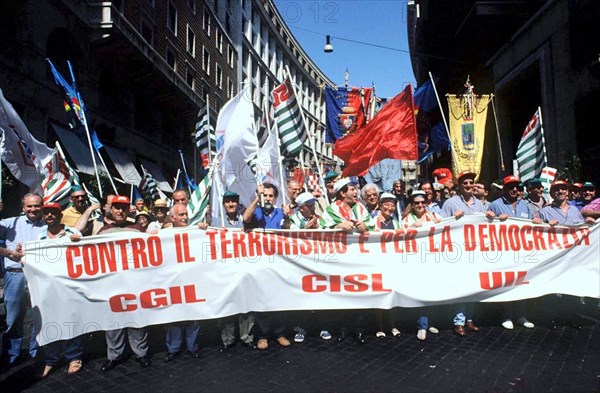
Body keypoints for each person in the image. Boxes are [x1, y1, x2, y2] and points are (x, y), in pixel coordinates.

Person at [98, 195, 151, 371]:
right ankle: (114, 356)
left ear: (129, 210)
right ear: (110, 210)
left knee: (137, 320)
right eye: (116, 207)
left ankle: (141, 353)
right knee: (113, 321)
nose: (120, 211)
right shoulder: (103, 232)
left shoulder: (136, 230)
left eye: (123, 208)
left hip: (134, 282)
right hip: (112, 284)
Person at [320, 178, 374, 343]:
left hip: (358, 258)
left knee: (360, 292)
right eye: (352, 189)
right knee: (342, 293)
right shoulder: (331, 210)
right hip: (339, 258)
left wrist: (365, 227)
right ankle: (342, 329)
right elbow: (321, 229)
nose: (355, 192)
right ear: (342, 193)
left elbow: (370, 226)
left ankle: (359, 329)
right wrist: (337, 227)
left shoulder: (360, 208)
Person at [36, 203, 84, 378]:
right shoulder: (39, 237)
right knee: (49, 321)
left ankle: (74, 356)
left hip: (69, 285)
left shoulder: (73, 233)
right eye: (46, 213)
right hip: (47, 287)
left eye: (53, 213)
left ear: (59, 215)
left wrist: (78, 243)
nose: (49, 216)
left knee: (71, 320)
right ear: (43, 216)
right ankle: (51, 358)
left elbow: (85, 254)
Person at [487, 176, 542, 329]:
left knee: (522, 284)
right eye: (511, 187)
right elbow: (485, 224)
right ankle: (506, 316)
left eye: (517, 187)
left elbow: (534, 221)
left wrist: (537, 220)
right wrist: (492, 217)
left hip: (523, 252)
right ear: (504, 189)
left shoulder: (526, 206)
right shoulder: (495, 205)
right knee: (506, 285)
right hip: (503, 252)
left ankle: (521, 316)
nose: (514, 190)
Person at [242, 183, 291, 350]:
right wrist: (257, 197)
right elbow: (245, 219)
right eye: (266, 195)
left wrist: (288, 217)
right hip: (262, 262)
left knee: (280, 300)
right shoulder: (257, 211)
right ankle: (262, 336)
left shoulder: (280, 212)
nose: (268, 199)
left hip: (279, 263)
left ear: (275, 198)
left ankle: (280, 334)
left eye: (271, 196)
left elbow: (288, 230)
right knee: (263, 301)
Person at [0, 194, 45, 367]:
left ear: (42, 206)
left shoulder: (48, 223)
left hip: (39, 276)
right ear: (23, 207)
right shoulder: (10, 223)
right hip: (16, 274)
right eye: (29, 206)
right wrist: (10, 253)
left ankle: (36, 353)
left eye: (36, 206)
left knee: (39, 316)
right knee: (13, 318)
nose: (33, 209)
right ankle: (11, 354)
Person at [440, 171, 485, 336]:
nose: (468, 186)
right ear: (459, 186)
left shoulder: (479, 204)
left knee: (474, 286)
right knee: (462, 285)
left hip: (475, 250)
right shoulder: (450, 203)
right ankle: (458, 321)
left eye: (470, 183)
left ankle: (469, 319)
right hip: (458, 251)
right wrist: (452, 218)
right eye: (465, 183)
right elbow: (441, 224)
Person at [216, 192, 255, 351]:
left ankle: (247, 336)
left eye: (234, 201)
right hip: (225, 269)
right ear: (223, 204)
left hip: (244, 267)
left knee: (246, 303)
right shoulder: (217, 221)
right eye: (228, 202)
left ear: (238, 203)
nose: (231, 204)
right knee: (228, 304)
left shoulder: (243, 218)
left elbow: (249, 219)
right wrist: (207, 228)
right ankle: (227, 339)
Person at [163, 204, 201, 361]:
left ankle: (193, 347)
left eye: (186, 214)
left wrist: (203, 229)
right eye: (181, 215)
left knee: (194, 315)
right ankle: (174, 348)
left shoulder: (195, 232)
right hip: (173, 282)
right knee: (175, 316)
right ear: (172, 218)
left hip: (192, 280)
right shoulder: (163, 234)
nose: (185, 217)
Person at [401, 191, 441, 340]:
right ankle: (422, 325)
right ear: (412, 204)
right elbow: (400, 234)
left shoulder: (433, 216)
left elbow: (449, 224)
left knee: (432, 292)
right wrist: (411, 227)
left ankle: (429, 322)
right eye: (416, 202)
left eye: (422, 202)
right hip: (415, 259)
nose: (420, 205)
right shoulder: (406, 219)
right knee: (421, 292)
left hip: (432, 258)